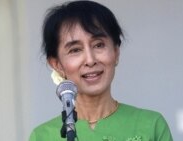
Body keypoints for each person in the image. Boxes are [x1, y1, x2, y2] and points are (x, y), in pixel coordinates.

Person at [29, 1, 173, 141]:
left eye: (99, 45)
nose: (90, 60)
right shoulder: (42, 136)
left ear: (116, 53)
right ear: (57, 64)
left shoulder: (151, 125)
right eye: (75, 50)